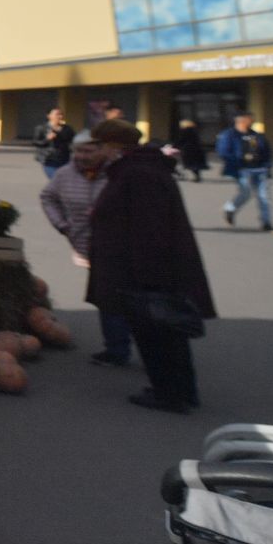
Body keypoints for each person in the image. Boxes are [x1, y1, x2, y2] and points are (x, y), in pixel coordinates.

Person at [84, 120, 217, 414]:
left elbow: (151, 228)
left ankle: (170, 394)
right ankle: (174, 390)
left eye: (99, 145)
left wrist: (147, 278)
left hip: (145, 274)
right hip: (146, 270)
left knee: (158, 334)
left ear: (114, 146)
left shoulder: (138, 174)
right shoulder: (139, 170)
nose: (96, 150)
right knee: (163, 335)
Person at [38, 132, 133, 366]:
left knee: (117, 297)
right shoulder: (64, 175)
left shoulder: (119, 173)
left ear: (104, 150)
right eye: (77, 151)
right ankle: (118, 346)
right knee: (108, 297)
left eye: (88, 151)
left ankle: (121, 348)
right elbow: (47, 197)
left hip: (121, 246)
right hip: (87, 245)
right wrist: (62, 225)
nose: (81, 156)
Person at [215, 112, 273, 232]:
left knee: (264, 196)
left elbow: (267, 152)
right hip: (241, 169)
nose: (250, 122)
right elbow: (223, 151)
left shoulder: (256, 135)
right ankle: (230, 208)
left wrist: (267, 166)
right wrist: (237, 161)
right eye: (248, 120)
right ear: (240, 120)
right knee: (246, 193)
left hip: (260, 169)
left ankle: (266, 222)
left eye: (251, 120)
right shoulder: (229, 134)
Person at [32, 107, 74, 181]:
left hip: (64, 159)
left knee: (64, 181)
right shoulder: (41, 128)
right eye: (57, 114)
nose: (60, 116)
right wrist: (47, 139)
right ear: (49, 116)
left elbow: (74, 141)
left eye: (61, 114)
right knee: (56, 180)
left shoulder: (68, 129)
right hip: (49, 159)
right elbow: (35, 142)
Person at [169, 118, 207, 183]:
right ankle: (197, 176)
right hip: (196, 149)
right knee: (194, 164)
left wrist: (174, 146)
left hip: (188, 149)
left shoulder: (185, 131)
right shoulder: (194, 131)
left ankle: (184, 175)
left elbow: (181, 140)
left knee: (189, 164)